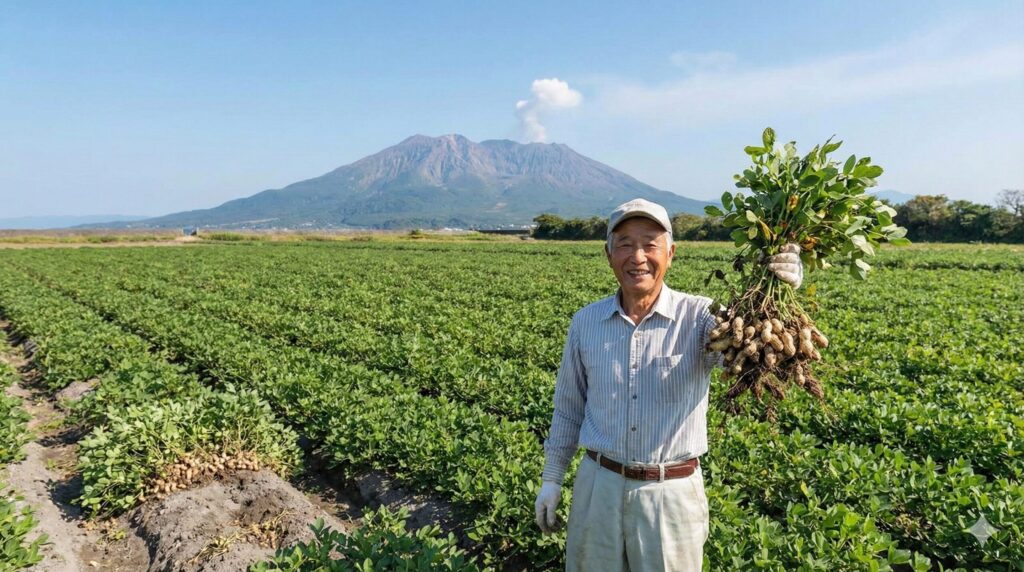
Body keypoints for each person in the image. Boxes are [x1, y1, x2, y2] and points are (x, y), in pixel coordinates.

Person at [534, 198, 803, 571]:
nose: (638, 256)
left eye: (650, 243)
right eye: (625, 243)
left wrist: (780, 287)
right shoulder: (586, 323)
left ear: (671, 253)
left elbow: (755, 348)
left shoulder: (702, 317)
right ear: (608, 254)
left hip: (670, 495)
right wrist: (552, 479)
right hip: (598, 489)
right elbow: (568, 408)